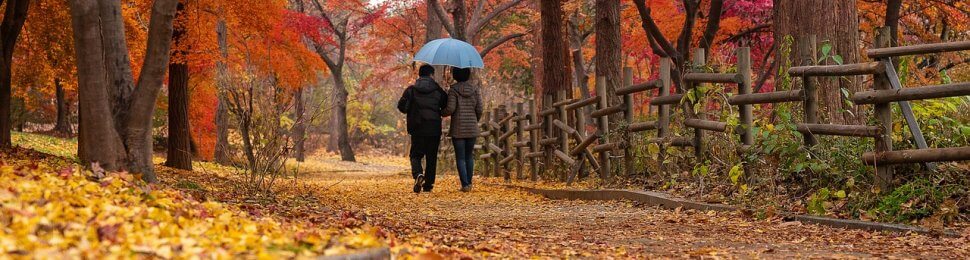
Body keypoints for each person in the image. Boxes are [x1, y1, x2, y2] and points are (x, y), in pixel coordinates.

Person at [398, 65, 448, 193]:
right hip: (433, 127)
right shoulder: (438, 90)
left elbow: (401, 106)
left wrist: (410, 110)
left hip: (417, 127)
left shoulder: (411, 90)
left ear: (419, 75)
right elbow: (445, 104)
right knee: (431, 157)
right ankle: (428, 185)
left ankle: (418, 174)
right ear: (431, 75)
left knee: (415, 155)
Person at [442, 67, 482, 192]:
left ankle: (465, 185)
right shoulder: (475, 89)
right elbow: (479, 108)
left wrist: (441, 112)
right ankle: (469, 183)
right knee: (469, 156)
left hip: (458, 129)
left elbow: (450, 109)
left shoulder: (453, 90)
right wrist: (475, 120)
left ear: (455, 75)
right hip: (472, 128)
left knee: (460, 157)